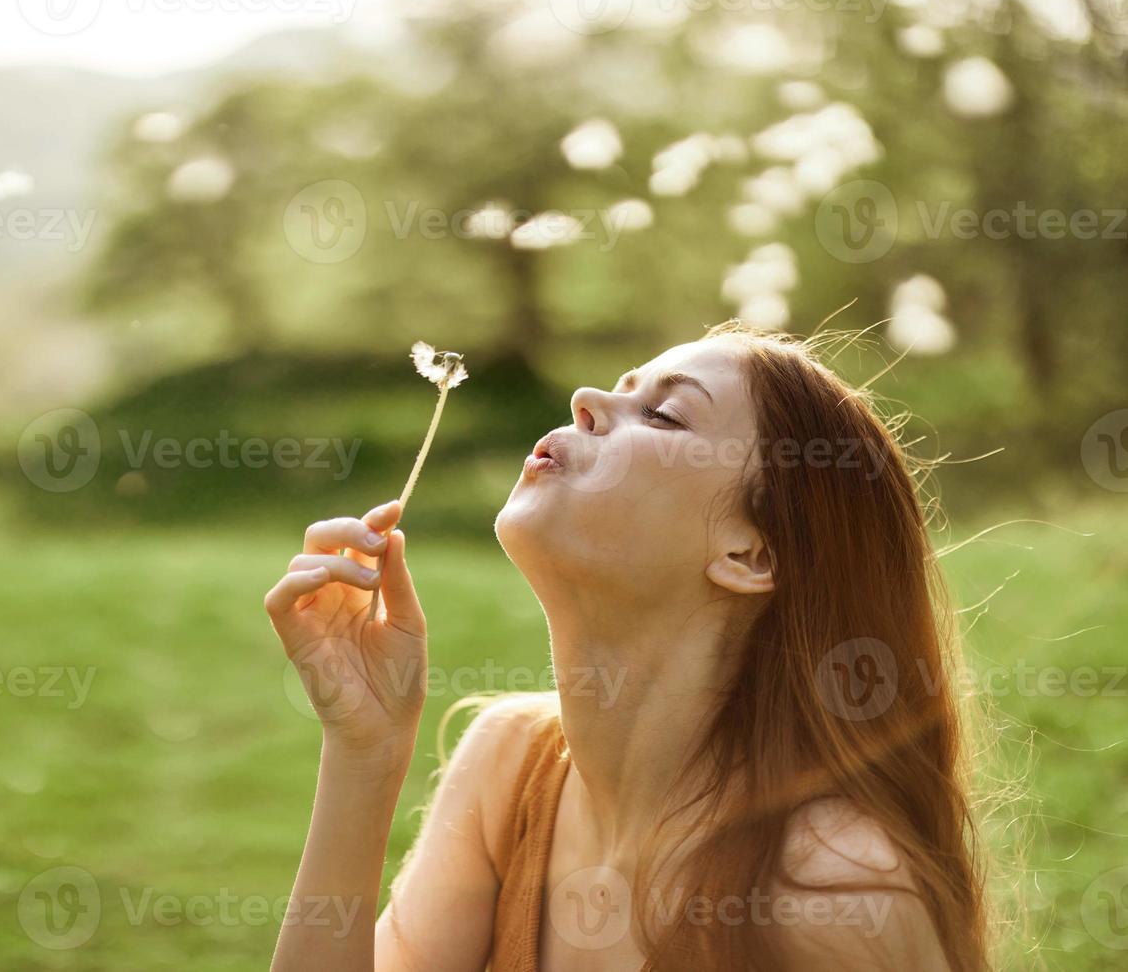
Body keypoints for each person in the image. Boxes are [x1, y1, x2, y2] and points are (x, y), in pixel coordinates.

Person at [263, 322, 986, 971]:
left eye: (663, 414)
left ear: (749, 554)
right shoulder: (508, 769)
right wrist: (365, 751)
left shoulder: (831, 896)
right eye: (616, 388)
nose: (583, 399)